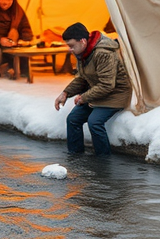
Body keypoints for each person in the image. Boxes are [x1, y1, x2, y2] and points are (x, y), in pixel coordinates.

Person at [53, 23, 132, 156]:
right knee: (73, 119)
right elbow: (82, 78)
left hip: (115, 94)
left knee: (94, 122)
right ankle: (75, 157)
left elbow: (107, 85)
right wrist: (66, 93)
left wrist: (84, 97)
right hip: (97, 93)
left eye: (72, 46)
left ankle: (103, 161)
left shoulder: (103, 53)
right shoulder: (83, 53)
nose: (70, 49)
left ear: (83, 41)